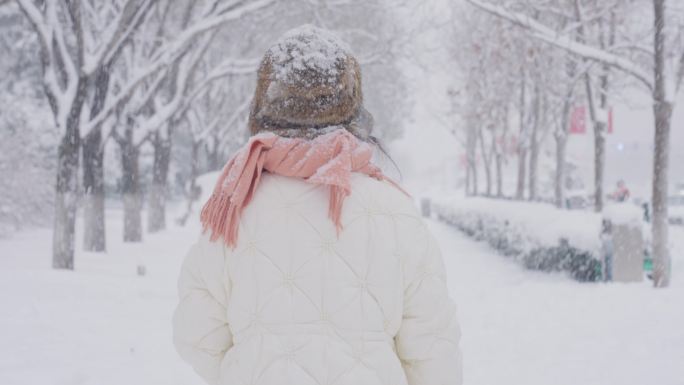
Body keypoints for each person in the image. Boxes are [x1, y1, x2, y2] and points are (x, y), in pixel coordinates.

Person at [172, 25, 462, 385]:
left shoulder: (234, 207)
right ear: (352, 106)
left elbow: (196, 334)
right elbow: (433, 350)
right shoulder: (393, 211)